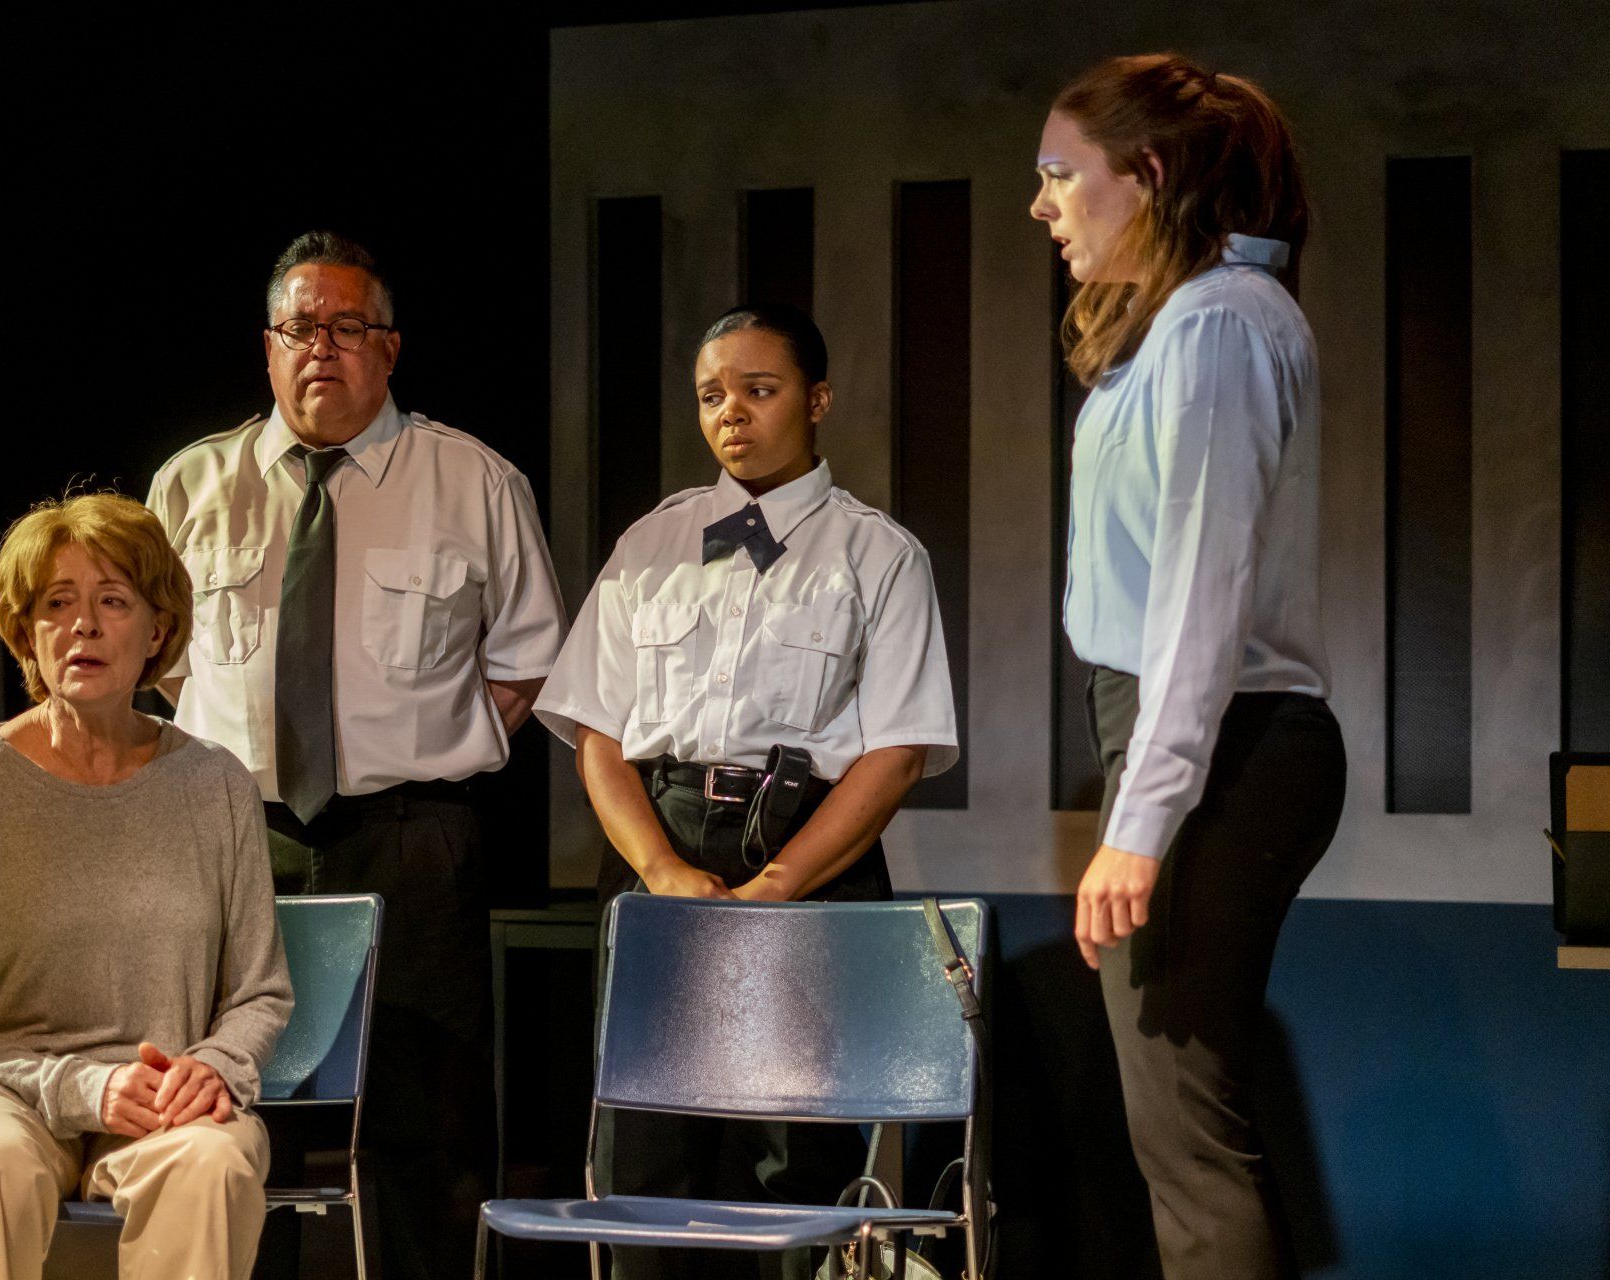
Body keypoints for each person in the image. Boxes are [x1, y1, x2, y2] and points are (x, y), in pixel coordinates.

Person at [145, 230, 567, 1280]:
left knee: (424, 1120)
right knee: (237, 1118)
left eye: (346, 327)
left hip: (412, 837)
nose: (320, 348)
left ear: (389, 347)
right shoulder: (193, 485)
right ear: (269, 344)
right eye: (300, 327)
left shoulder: (472, 479)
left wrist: (426, 749)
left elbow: (528, 664)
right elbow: (154, 663)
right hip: (236, 841)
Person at [534, 303, 959, 1280]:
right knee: (648, 1154)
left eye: (759, 390)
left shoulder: (878, 556)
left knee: (793, 1164)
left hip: (806, 850)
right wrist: (658, 869)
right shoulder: (652, 545)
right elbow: (598, 737)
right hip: (665, 846)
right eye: (711, 395)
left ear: (816, 401)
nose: (732, 412)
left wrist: (777, 885)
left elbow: (893, 753)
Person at [1031, 53, 1347, 1278]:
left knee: (1186, 1133)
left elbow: (1201, 597)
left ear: (1149, 174)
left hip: (1218, 738)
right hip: (1190, 732)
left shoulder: (1220, 319)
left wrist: (1144, 815)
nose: (1043, 205)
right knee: (1179, 1127)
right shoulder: (1192, 316)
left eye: (1062, 175)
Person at [0, 493, 293, 1280]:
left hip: (159, 1099)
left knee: (215, 1161)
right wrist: (85, 1088)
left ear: (158, 631)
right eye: (56, 604)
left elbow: (259, 993)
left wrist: (214, 1066)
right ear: (27, 635)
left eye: (112, 601)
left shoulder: (216, 786)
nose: (84, 626)